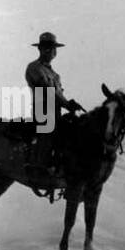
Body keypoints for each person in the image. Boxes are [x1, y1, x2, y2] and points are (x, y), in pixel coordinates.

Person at [25, 31, 86, 173]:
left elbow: (58, 94)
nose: (51, 50)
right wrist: (67, 104)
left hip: (55, 110)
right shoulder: (34, 68)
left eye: (53, 48)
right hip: (43, 110)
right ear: (39, 49)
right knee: (50, 130)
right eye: (47, 47)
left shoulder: (55, 75)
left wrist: (69, 103)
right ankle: (41, 166)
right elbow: (47, 91)